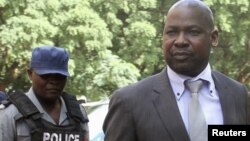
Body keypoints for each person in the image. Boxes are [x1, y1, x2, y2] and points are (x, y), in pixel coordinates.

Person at [102, 0, 248, 141]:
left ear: (214, 38)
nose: (180, 41)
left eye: (193, 32)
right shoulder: (129, 102)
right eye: (171, 32)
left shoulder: (238, 95)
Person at [0, 46, 89, 141]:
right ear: (30, 74)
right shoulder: (11, 115)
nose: (53, 82)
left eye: (59, 76)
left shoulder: (78, 113)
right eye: (45, 76)